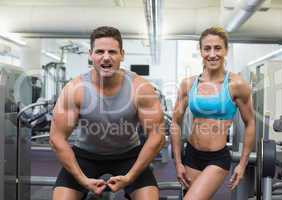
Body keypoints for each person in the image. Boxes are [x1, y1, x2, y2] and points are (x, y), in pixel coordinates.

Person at [49, 26, 165, 200]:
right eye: (100, 51)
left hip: (129, 154)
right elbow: (56, 137)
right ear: (91, 55)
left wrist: (131, 177)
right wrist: (82, 179)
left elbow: (157, 136)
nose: (106, 57)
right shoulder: (75, 89)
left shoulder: (140, 88)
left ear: (122, 55)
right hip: (85, 155)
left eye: (112, 51)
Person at [171, 27, 255, 200]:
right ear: (200, 51)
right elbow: (175, 122)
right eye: (207, 48)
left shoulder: (236, 84)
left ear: (225, 50)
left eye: (217, 48)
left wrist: (242, 163)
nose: (212, 54)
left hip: (217, 158)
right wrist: (178, 162)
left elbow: (250, 123)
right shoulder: (189, 84)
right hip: (191, 155)